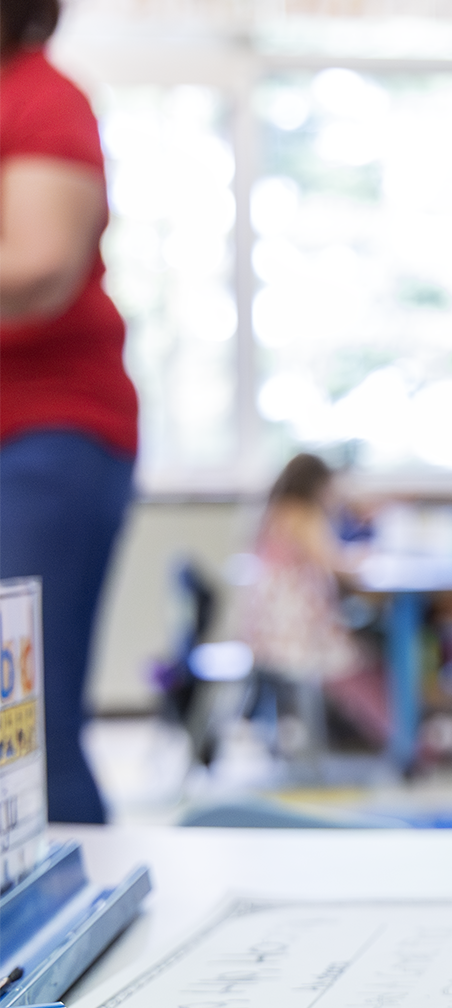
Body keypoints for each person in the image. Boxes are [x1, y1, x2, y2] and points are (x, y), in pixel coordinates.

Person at [0, 0, 137, 824]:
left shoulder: (39, 98)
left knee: (27, 730)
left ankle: (86, 939)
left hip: (48, 439)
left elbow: (40, 263)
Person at [240, 454, 388, 751]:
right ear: (318, 485)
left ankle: (377, 735)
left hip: (265, 635)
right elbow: (335, 564)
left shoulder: (274, 513)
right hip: (296, 639)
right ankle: (403, 739)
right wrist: (363, 557)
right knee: (367, 659)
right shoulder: (301, 515)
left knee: (363, 650)